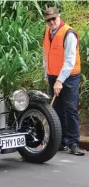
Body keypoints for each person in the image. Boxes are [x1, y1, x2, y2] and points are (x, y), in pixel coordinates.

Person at [42, 7, 85, 155]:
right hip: (53, 75)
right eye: (49, 20)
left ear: (59, 17)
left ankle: (73, 143)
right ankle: (60, 141)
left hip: (69, 76)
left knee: (70, 108)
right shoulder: (48, 32)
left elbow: (70, 60)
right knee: (56, 109)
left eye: (54, 18)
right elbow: (45, 55)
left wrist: (60, 81)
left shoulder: (69, 33)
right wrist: (46, 75)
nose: (52, 22)